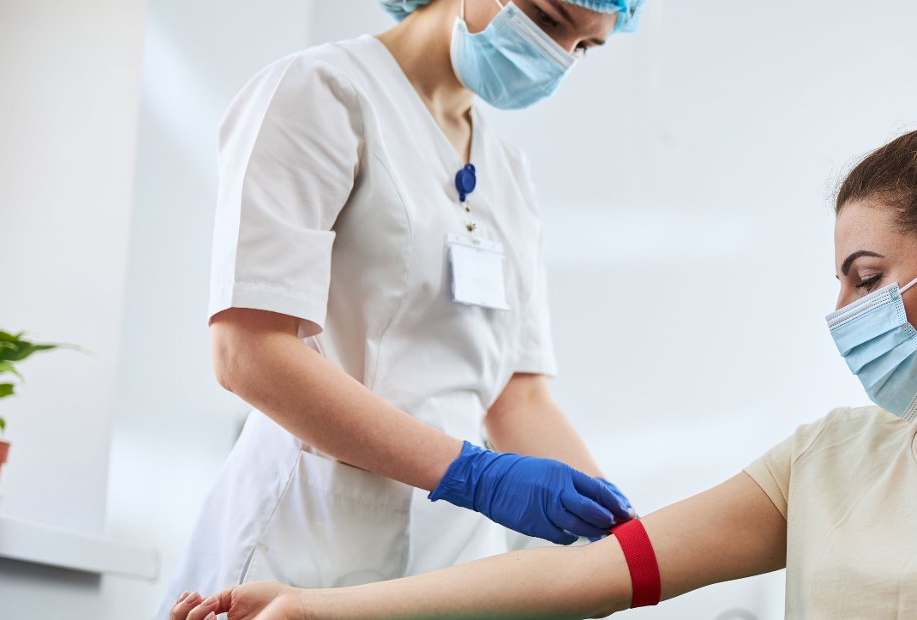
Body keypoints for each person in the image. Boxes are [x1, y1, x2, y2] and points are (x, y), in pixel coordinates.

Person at [170, 52, 917, 620]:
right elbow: (585, 574)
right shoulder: (830, 455)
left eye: (866, 277)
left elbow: (520, 394)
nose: (844, 314)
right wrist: (314, 608)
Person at [160, 0, 647, 615]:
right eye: (548, 21)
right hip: (301, 540)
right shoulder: (325, 91)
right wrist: (474, 476)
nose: (557, 57)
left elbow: (518, 396)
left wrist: (628, 542)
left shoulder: (510, 172)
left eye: (586, 47)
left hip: (444, 569)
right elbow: (247, 352)